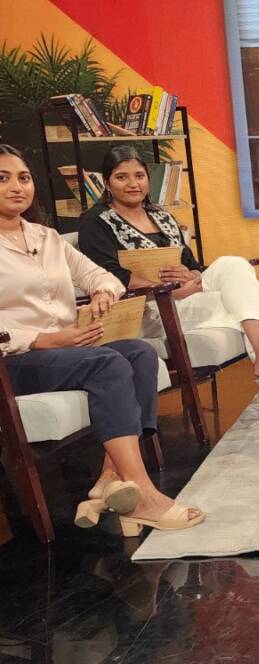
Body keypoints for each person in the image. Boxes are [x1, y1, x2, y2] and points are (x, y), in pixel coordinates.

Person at [0, 144, 203, 534]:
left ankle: (111, 478)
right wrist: (46, 339)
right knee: (107, 361)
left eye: (23, 178)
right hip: (16, 361)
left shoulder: (47, 238)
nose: (17, 187)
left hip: (68, 352)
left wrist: (102, 294)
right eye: (3, 179)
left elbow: (102, 276)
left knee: (140, 353)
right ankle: (142, 493)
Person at [78, 146, 259, 423]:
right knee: (257, 300)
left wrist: (191, 276)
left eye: (139, 175)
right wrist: (170, 289)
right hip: (148, 307)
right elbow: (109, 276)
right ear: (107, 182)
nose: (132, 184)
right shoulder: (95, 222)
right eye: (121, 177)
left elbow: (192, 263)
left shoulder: (161, 215)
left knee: (234, 264)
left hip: (187, 295)